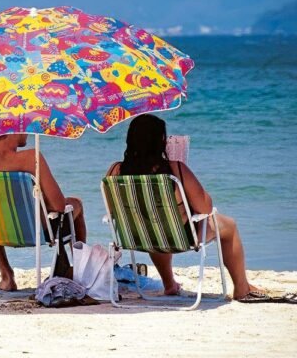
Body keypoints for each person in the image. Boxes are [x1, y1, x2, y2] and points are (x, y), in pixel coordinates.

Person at [106, 114, 263, 301]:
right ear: (162, 141)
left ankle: (169, 284)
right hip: (181, 237)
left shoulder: (115, 170)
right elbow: (205, 208)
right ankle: (242, 288)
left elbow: (112, 210)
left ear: (130, 139)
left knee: (154, 225)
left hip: (140, 237)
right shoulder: (175, 169)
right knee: (229, 226)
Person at [0, 134, 87, 291]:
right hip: (33, 232)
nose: (27, 132)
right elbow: (59, 205)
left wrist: (2, 202)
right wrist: (37, 202)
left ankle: (6, 276)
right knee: (76, 204)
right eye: (24, 128)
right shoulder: (30, 158)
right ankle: (80, 271)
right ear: (14, 130)